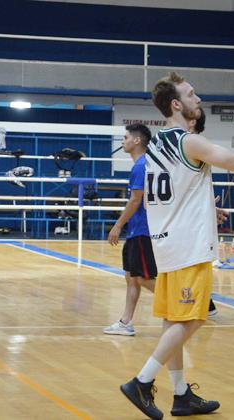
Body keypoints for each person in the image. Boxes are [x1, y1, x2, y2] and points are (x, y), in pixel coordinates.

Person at [119, 72, 234, 419]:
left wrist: (207, 205)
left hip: (166, 242)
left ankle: (179, 394)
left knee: (174, 320)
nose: (199, 99)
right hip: (188, 245)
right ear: (176, 104)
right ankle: (142, 382)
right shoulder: (189, 141)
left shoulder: (156, 145)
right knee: (196, 317)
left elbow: (175, 190)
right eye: (192, 95)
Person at [103, 124, 157, 336]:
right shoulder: (143, 164)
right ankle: (126, 322)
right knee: (131, 277)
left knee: (143, 278)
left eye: (125, 137)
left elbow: (136, 199)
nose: (123, 141)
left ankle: (179, 305)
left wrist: (118, 224)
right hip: (136, 230)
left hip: (143, 230)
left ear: (136, 141)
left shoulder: (141, 166)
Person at [186, 111, 219, 317]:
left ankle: (203, 305)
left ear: (191, 122)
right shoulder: (185, 145)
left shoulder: (196, 144)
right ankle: (204, 304)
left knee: (194, 263)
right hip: (188, 215)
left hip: (194, 220)